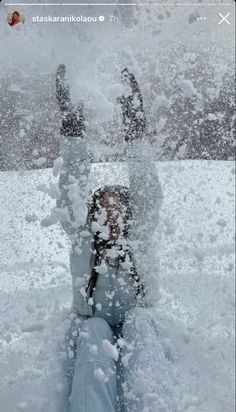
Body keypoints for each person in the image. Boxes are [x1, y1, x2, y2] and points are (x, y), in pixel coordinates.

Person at [56, 64, 166, 412]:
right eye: (102, 209)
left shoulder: (140, 233)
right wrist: (72, 121)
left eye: (118, 208)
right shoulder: (82, 236)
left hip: (137, 319)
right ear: (92, 217)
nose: (111, 214)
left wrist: (134, 119)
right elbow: (72, 178)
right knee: (94, 334)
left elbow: (145, 183)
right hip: (95, 322)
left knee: (139, 327)